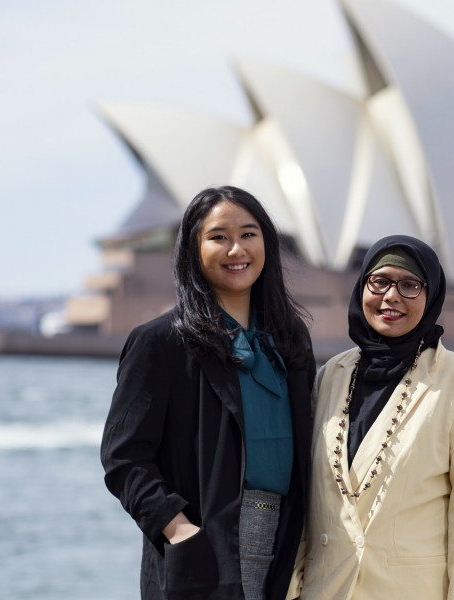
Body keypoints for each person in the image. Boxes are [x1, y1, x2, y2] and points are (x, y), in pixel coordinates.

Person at [101, 186, 314, 600]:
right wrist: (179, 529)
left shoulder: (291, 340)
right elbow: (123, 457)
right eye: (219, 237)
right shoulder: (160, 342)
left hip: (287, 539)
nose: (237, 249)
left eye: (249, 234)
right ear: (193, 249)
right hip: (207, 546)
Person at [294, 235, 454, 600]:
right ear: (362, 287)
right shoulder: (330, 376)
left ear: (431, 294)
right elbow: (307, 507)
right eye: (380, 281)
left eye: (409, 285)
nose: (391, 296)